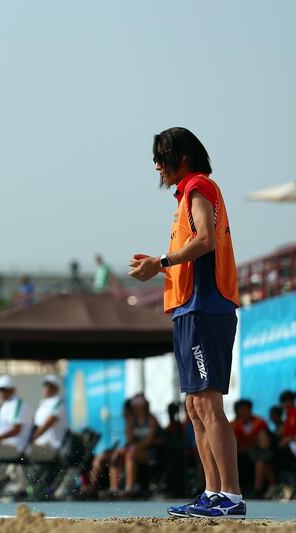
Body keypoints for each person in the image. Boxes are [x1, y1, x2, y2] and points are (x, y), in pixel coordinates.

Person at [129, 127, 244, 518]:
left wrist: (162, 261)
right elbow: (194, 259)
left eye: (162, 156)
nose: (157, 165)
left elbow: (207, 240)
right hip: (189, 308)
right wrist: (160, 268)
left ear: (183, 158)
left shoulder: (199, 187)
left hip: (206, 308)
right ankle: (213, 493)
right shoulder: (186, 196)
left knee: (208, 405)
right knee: (195, 407)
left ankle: (231, 495)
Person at [108, 394, 163, 497]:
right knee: (117, 455)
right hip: (135, 449)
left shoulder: (151, 420)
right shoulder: (132, 420)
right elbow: (129, 439)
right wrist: (127, 448)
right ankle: (114, 489)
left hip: (150, 451)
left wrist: (134, 447)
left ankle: (129, 488)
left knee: (131, 455)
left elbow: (149, 441)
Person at [231, 399, 274, 496]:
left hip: (258, 452)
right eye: (242, 410)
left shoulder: (259, 422)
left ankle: (258, 490)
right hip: (240, 455)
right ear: (237, 411)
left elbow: (265, 441)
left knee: (261, 458)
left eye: (246, 409)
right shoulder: (234, 425)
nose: (244, 412)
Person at [28, 375, 67, 462]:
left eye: (48, 386)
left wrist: (32, 438)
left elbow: (48, 423)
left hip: (51, 446)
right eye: (44, 386)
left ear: (55, 388)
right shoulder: (44, 403)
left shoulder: (58, 402)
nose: (45, 388)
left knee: (25, 451)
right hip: (40, 444)